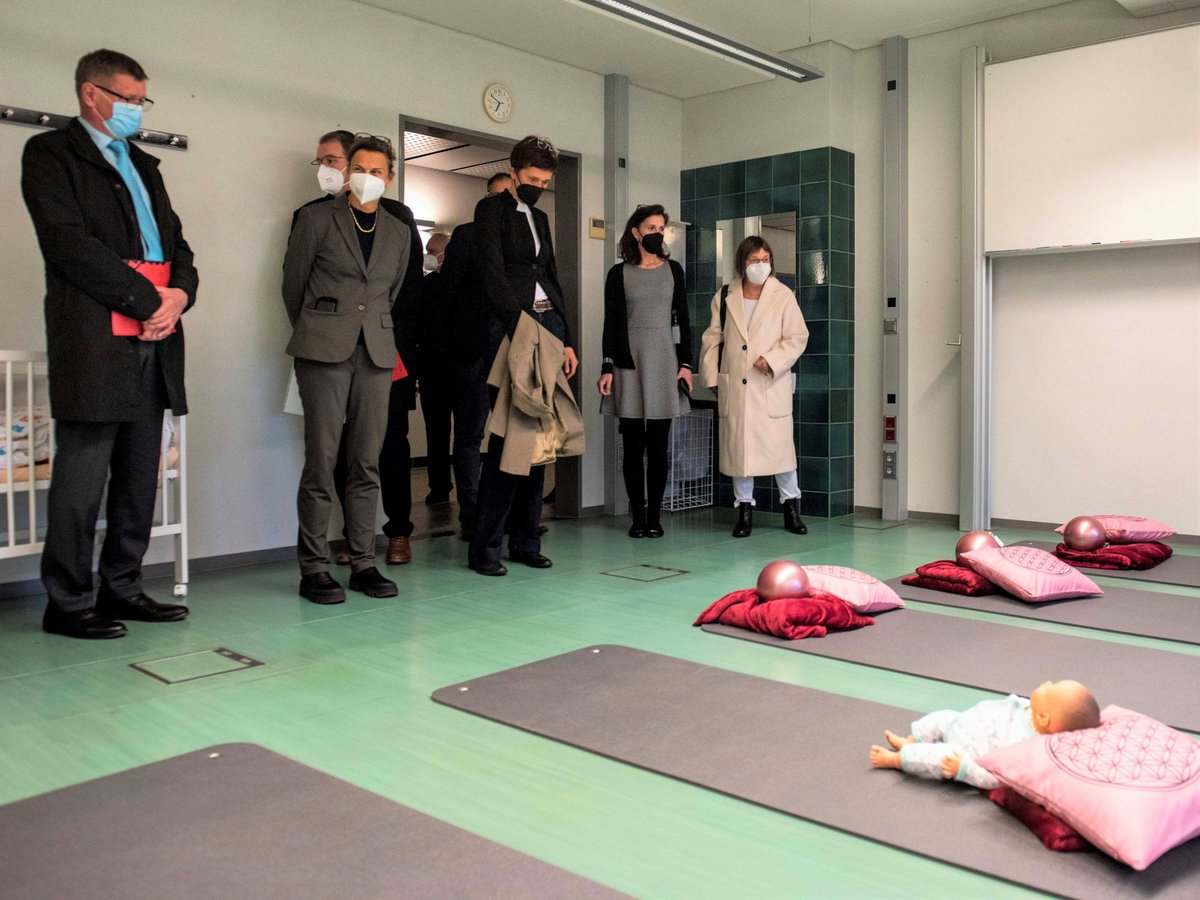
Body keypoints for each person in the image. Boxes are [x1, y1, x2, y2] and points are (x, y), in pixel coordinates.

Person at [20, 49, 195, 640]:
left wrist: (178, 297)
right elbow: (70, 246)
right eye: (127, 98)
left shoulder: (145, 165)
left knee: (139, 472)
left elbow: (177, 245)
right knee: (83, 476)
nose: (135, 110)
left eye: (142, 100)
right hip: (94, 335)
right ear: (91, 94)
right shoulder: (49, 155)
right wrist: (148, 302)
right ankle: (67, 602)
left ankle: (123, 587)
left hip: (157, 336)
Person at [282, 135, 412, 603]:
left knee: (366, 463)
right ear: (346, 169)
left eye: (377, 171)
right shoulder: (317, 218)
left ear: (389, 178)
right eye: (360, 167)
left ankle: (362, 563)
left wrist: (365, 327)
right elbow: (293, 286)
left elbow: (390, 293)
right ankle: (314, 568)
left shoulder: (398, 231)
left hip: (376, 353)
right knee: (321, 460)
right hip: (322, 351)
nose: (367, 177)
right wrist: (322, 329)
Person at [468, 136, 579, 576]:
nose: (538, 186)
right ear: (513, 172)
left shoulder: (541, 216)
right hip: (512, 330)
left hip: (547, 327)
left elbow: (550, 275)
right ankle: (486, 548)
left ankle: (526, 541)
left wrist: (565, 337)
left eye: (545, 181)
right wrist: (518, 329)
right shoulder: (490, 210)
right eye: (533, 179)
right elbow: (492, 275)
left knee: (541, 440)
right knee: (509, 442)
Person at [699, 236, 809, 538]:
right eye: (753, 260)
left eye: (765, 259)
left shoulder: (783, 295)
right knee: (740, 454)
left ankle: (791, 508)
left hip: (768, 385)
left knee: (782, 453)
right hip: (737, 386)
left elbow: (797, 337)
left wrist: (772, 360)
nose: (760, 265)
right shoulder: (725, 295)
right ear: (741, 263)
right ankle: (744, 511)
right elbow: (712, 338)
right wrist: (711, 377)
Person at [598, 204, 692, 538]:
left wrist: (686, 365)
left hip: (665, 361)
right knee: (633, 446)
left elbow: (683, 317)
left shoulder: (674, 270)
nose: (657, 233)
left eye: (660, 228)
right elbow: (611, 322)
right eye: (650, 227)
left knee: (658, 445)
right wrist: (606, 367)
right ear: (636, 232)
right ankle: (638, 517)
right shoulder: (618, 273)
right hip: (628, 364)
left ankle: (656, 517)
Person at [440, 173, 511, 541]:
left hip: (511, 351)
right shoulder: (465, 236)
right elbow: (449, 294)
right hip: (471, 349)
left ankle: (503, 514)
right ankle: (471, 512)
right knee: (470, 435)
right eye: (496, 197)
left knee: (511, 435)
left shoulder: (523, 239)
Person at [869, 680, 1101, 789]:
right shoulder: (1032, 709)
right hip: (960, 723)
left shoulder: (1026, 746)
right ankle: (908, 740)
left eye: (1048, 690)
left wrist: (965, 769)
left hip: (965, 753)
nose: (1046, 683)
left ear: (1044, 719)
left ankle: (897, 760)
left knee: (936, 757)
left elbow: (999, 779)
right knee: (942, 717)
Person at [414, 232, 454, 505]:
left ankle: (444, 488)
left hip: (449, 368)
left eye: (432, 249)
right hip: (431, 370)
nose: (428, 254)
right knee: (437, 433)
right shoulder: (425, 285)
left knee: (451, 435)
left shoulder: (460, 287)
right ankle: (440, 487)